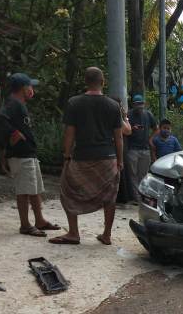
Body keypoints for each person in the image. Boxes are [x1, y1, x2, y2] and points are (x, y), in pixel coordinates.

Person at [49, 67, 123, 245]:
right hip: (108, 158)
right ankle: (106, 235)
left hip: (82, 157)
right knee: (109, 196)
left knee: (68, 192)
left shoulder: (74, 103)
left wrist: (66, 156)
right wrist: (120, 161)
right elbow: (118, 137)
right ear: (102, 82)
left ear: (85, 81)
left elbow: (69, 133)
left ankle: (73, 233)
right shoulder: (113, 106)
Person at [0, 73, 59, 237]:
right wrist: (14, 133)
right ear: (24, 88)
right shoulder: (13, 103)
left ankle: (40, 220)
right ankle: (25, 225)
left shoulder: (18, 104)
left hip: (28, 153)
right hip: (20, 155)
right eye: (30, 86)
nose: (32, 90)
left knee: (34, 189)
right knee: (23, 191)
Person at [127, 94, 158, 199]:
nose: (139, 106)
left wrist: (150, 139)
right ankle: (136, 197)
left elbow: (156, 128)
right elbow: (124, 130)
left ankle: (143, 195)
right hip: (132, 149)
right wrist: (132, 129)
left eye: (141, 104)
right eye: (137, 104)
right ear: (133, 104)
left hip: (145, 149)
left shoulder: (148, 114)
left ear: (144, 104)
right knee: (133, 174)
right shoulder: (129, 115)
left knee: (143, 174)